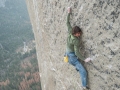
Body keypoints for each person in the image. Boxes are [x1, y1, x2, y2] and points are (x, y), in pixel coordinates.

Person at [66, 7, 91, 90]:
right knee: (83, 71)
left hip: (67, 55)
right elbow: (77, 53)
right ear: (75, 33)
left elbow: (67, 23)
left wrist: (68, 13)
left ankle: (77, 67)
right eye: (78, 34)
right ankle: (84, 86)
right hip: (72, 57)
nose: (79, 35)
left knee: (75, 64)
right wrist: (84, 59)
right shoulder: (76, 41)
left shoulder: (70, 31)